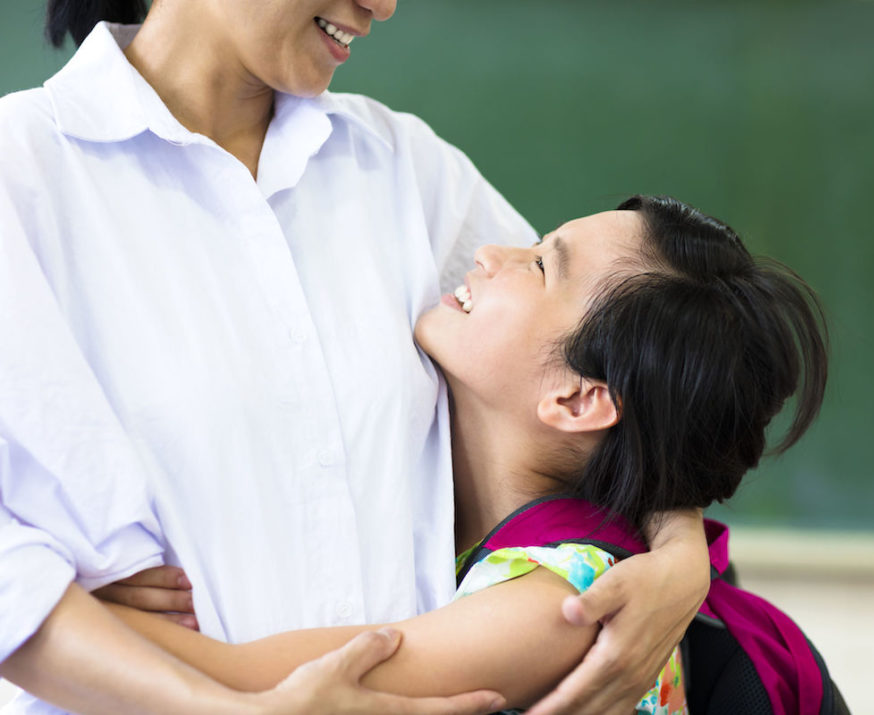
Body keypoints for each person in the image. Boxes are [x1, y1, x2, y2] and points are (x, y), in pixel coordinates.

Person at [0, 1, 711, 713]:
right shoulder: (21, 176)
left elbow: (609, 380)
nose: (383, 4)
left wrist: (681, 552)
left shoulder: (402, 167)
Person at [94, 195, 829, 714]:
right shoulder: (511, 546)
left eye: (540, 265)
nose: (489, 252)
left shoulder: (560, 602)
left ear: (577, 400)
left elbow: (241, 682)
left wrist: (70, 593)